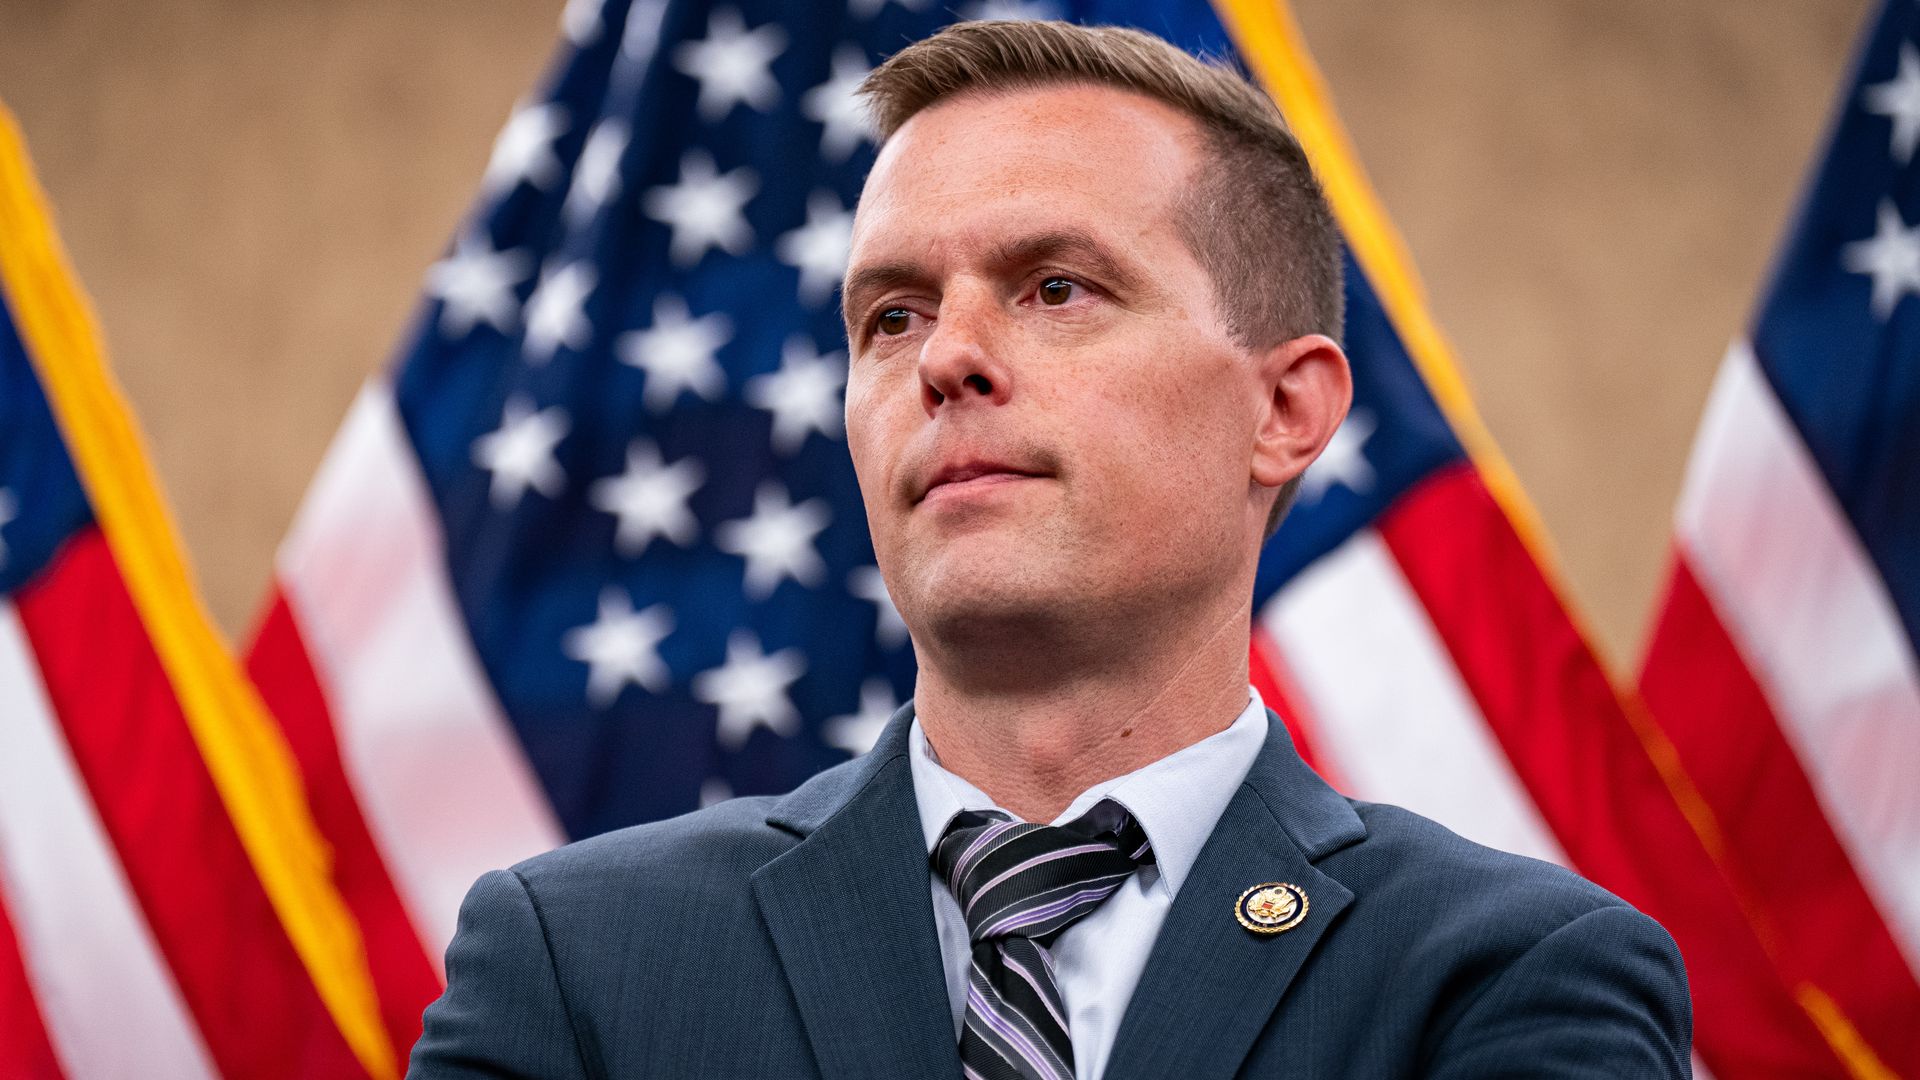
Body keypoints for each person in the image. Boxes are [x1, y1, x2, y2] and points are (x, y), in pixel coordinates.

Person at [409, 19, 1691, 1079]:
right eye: (892, 315)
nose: (947, 358)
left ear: (1286, 410)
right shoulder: (576, 966)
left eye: (1054, 288)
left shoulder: (1507, 981)